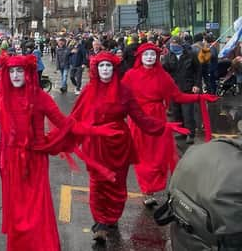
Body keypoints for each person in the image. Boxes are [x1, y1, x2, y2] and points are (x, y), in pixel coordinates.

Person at [0, 54, 121, 251]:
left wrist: (97, 131)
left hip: (34, 160)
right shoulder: (2, 97)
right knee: (17, 210)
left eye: (19, 70)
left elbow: (66, 124)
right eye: (11, 71)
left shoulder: (40, 97)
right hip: (10, 160)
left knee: (37, 208)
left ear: (28, 72)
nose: (15, 75)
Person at [69, 51, 176, 243]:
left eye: (108, 66)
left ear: (114, 68)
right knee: (98, 184)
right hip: (97, 145)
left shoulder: (124, 91)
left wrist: (164, 126)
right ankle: (100, 223)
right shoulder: (88, 91)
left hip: (119, 144)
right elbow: (74, 119)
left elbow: (140, 118)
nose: (105, 69)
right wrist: (57, 138)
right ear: (96, 68)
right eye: (101, 66)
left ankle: (111, 217)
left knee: (118, 185)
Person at [122, 43, 218, 207]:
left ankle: (166, 188)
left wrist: (199, 98)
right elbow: (120, 96)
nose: (150, 57)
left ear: (157, 57)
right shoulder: (131, 75)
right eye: (146, 55)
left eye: (153, 54)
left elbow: (178, 96)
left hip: (159, 120)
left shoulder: (163, 76)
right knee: (143, 158)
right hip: (139, 121)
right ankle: (147, 192)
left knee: (161, 156)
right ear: (140, 57)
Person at [161, 36, 202, 144]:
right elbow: (163, 71)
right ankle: (181, 131)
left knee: (188, 113)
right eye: (171, 45)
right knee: (176, 112)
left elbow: (198, 70)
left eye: (175, 45)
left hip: (187, 88)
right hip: (174, 89)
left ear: (181, 45)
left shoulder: (191, 55)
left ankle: (190, 133)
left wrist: (197, 84)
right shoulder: (168, 56)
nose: (173, 47)